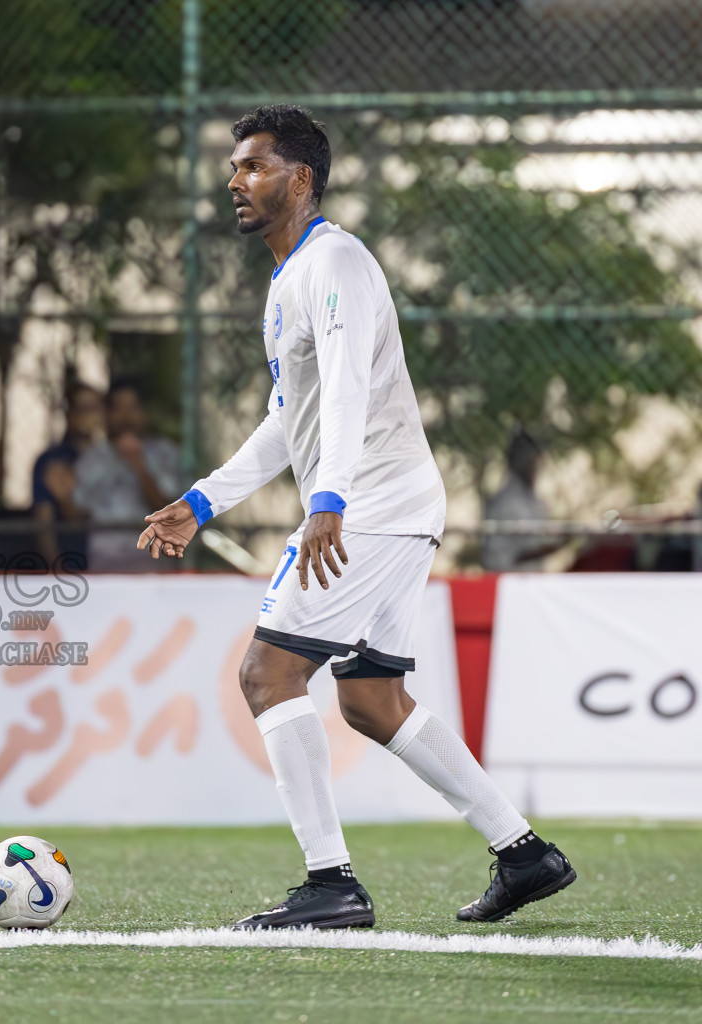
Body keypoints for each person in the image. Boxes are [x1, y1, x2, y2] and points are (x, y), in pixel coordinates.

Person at [137, 105, 574, 930]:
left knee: (267, 676)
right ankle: (523, 854)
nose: (235, 180)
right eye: (234, 167)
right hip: (395, 502)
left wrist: (328, 501)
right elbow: (288, 418)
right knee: (371, 698)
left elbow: (342, 392)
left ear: (299, 179)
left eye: (253, 166)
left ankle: (330, 884)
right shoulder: (291, 276)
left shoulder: (333, 262)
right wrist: (202, 502)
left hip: (370, 505)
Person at [73, 379, 179, 571]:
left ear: (144, 413)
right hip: (104, 562)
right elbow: (75, 514)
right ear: (107, 414)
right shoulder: (91, 458)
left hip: (153, 563)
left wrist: (139, 466)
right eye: (118, 408)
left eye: (133, 407)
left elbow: (170, 514)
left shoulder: (164, 453)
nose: (126, 416)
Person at [32, 381, 103, 567]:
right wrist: (57, 568)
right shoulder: (53, 461)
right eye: (81, 408)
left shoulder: (111, 457)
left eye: (93, 407)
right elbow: (44, 523)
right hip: (71, 559)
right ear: (69, 413)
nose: (87, 415)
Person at [481, 430, 560, 572]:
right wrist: (551, 547)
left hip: (532, 581)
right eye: (533, 463)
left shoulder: (533, 499)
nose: (536, 469)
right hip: (508, 582)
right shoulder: (506, 501)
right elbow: (500, 558)